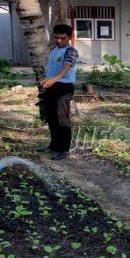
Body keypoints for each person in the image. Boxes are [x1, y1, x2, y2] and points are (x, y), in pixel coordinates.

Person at [37, 24, 78, 161]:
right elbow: (53, 69)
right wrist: (47, 79)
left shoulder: (71, 51)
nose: (59, 40)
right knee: (51, 117)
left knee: (62, 119)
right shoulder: (54, 49)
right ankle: (53, 145)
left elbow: (66, 67)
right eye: (56, 37)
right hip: (51, 86)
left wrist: (54, 79)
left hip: (64, 88)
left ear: (70, 37)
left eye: (63, 38)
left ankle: (63, 149)